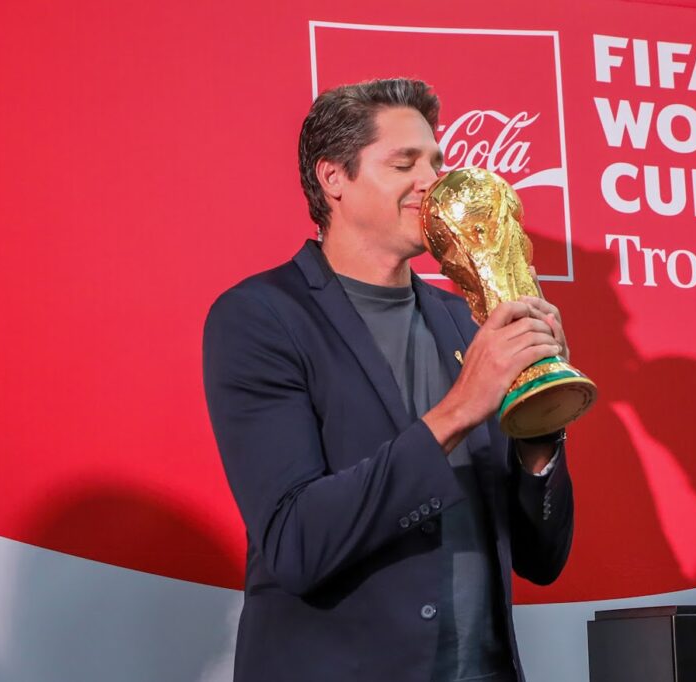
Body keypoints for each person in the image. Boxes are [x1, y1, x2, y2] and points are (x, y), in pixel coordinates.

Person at [203, 78, 575, 682]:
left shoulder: (465, 319)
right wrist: (460, 410)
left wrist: (539, 435)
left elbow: (542, 560)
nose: (432, 182)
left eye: (436, 162)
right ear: (334, 179)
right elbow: (297, 543)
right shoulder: (262, 317)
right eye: (404, 164)